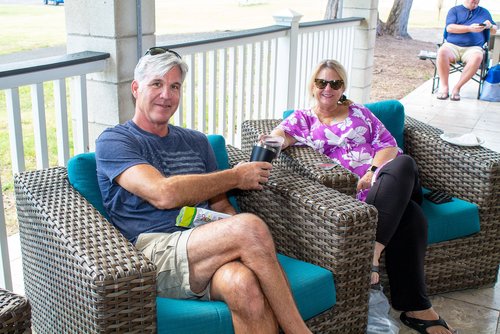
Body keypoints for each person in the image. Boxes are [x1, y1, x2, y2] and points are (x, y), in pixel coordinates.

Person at [95, 47, 311, 334]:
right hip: (152, 252)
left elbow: (221, 207)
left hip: (204, 245)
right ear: (136, 88)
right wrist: (235, 177)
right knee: (249, 228)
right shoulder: (115, 140)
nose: (166, 95)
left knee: (242, 284)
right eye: (156, 84)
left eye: (174, 86)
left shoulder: (196, 142)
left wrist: (237, 241)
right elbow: (163, 194)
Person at [269, 59, 455, 334]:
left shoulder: (359, 112)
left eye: (335, 83)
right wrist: (270, 143)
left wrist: (371, 171)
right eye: (322, 82)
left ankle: (373, 253)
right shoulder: (303, 119)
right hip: (365, 200)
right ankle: (416, 308)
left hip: (394, 182)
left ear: (343, 86)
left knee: (404, 163)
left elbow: (389, 146)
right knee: (413, 217)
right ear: (313, 85)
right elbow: (279, 137)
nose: (328, 88)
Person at [436, 0, 497, 101]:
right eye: (474, 1)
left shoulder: (484, 12)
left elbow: (494, 30)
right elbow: (449, 28)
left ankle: (457, 88)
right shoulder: (454, 10)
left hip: (474, 48)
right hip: (452, 46)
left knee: (478, 56)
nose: (476, 2)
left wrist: (489, 26)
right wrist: (469, 28)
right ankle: (444, 87)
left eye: (478, 1)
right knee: (442, 51)